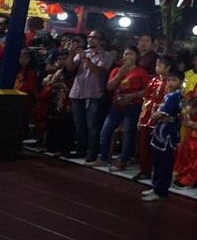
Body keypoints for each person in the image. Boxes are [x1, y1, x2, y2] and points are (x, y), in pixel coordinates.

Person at [97, 46, 149, 171]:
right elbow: (109, 87)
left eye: (130, 54)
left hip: (133, 105)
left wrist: (133, 95)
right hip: (117, 104)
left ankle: (123, 161)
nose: (127, 57)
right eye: (125, 54)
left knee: (128, 133)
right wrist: (120, 74)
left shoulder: (141, 72)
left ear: (136, 57)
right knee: (106, 131)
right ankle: (104, 157)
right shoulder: (116, 70)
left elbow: (147, 90)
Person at [65, 30, 114, 162]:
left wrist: (85, 59)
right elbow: (70, 68)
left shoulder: (106, 55)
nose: (91, 40)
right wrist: (70, 54)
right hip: (78, 92)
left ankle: (92, 152)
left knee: (92, 125)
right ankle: (81, 149)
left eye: (94, 37)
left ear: (101, 41)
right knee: (79, 124)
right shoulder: (83, 52)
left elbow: (100, 71)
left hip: (94, 94)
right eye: (89, 37)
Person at [142, 70, 183, 202]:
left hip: (167, 134)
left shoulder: (176, 97)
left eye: (174, 80)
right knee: (157, 162)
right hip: (161, 131)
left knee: (164, 163)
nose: (170, 83)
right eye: (169, 80)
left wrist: (157, 115)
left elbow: (162, 114)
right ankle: (155, 187)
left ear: (180, 82)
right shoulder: (168, 95)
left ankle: (161, 190)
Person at [135, 56, 171, 180]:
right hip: (148, 114)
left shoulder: (170, 82)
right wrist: (141, 116)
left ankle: (158, 171)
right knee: (144, 144)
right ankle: (145, 169)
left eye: (160, 65)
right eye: (156, 65)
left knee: (158, 145)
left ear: (168, 68)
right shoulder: (153, 80)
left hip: (160, 115)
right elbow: (146, 98)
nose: (157, 68)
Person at [43, 50, 75, 156]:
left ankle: (63, 149)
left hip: (66, 101)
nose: (61, 61)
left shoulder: (73, 72)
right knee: (53, 123)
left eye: (64, 59)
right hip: (55, 100)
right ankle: (51, 147)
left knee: (64, 126)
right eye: (59, 59)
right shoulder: (58, 72)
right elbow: (51, 84)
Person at [14, 49, 38, 133]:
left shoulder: (31, 71)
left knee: (24, 118)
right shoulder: (14, 69)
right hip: (15, 96)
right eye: (21, 57)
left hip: (26, 98)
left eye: (26, 57)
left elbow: (31, 86)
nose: (23, 59)